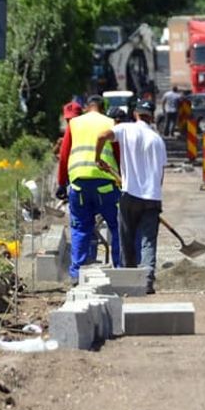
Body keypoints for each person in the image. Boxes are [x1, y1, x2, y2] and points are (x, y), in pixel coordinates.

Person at [94, 99, 167, 294]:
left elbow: (101, 135)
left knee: (126, 237)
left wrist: (97, 158)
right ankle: (147, 281)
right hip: (152, 197)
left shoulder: (125, 129)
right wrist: (154, 195)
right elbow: (160, 174)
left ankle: (128, 280)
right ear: (151, 117)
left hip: (130, 195)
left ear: (136, 113)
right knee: (148, 241)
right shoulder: (158, 140)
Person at [56, 95, 121, 282]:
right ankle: (119, 267)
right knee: (116, 226)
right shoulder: (110, 122)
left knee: (80, 227)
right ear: (104, 107)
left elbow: (64, 155)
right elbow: (118, 155)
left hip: (78, 184)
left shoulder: (74, 124)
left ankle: (77, 273)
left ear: (86, 107)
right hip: (106, 185)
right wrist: (123, 180)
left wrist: (62, 183)